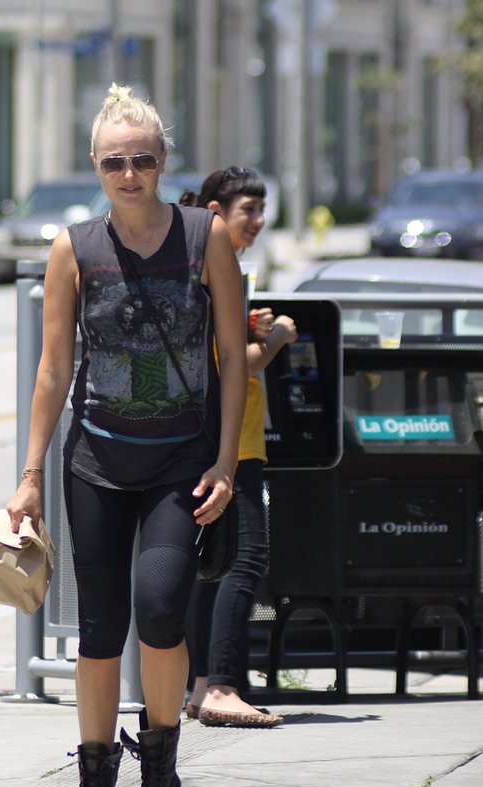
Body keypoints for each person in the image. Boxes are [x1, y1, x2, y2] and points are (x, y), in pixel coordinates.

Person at [6, 86, 247, 787]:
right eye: (114, 162)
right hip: (96, 460)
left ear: (163, 161)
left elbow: (231, 357)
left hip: (181, 460)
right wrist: (30, 474)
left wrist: (224, 462)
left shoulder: (204, 236)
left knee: (161, 608)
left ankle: (160, 779)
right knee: (100, 630)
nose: (129, 174)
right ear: (95, 166)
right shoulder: (74, 248)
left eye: (142, 160)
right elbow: (53, 369)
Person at [182, 168, 298, 727]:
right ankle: (223, 687)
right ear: (215, 211)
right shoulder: (212, 266)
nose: (258, 220)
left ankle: (202, 686)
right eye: (248, 209)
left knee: (215, 563)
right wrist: (275, 340)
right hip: (230, 443)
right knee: (246, 558)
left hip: (227, 438)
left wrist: (252, 326)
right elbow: (231, 362)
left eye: (261, 209)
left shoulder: (208, 266)